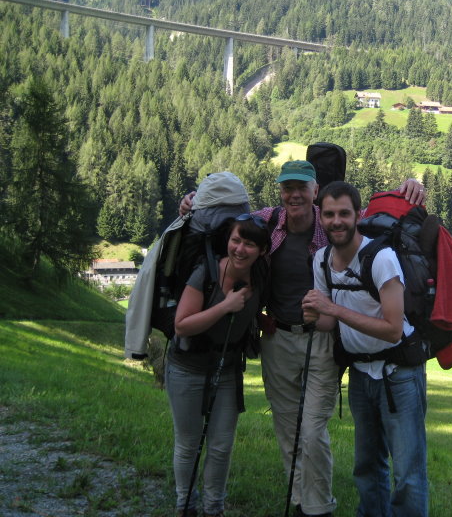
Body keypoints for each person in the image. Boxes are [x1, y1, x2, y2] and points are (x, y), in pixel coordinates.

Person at [179, 161, 424, 517]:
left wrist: (411, 186)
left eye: (301, 188)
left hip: (321, 341)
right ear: (280, 191)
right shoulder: (268, 220)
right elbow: (230, 223)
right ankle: (302, 504)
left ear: (314, 191)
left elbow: (366, 215)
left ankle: (319, 505)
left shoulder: (330, 224)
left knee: (310, 432)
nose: (293, 195)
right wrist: (193, 202)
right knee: (288, 432)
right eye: (287, 187)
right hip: (277, 339)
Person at [302, 181, 429, 517]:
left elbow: (391, 329)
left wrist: (334, 311)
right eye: (329, 214)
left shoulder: (382, 258)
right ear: (322, 218)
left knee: (408, 475)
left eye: (344, 213)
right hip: (360, 373)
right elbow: (329, 323)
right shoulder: (321, 260)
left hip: (400, 373)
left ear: (359, 215)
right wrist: (315, 316)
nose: (336, 221)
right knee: (367, 467)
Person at [165, 215, 270, 517]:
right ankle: (186, 506)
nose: (240, 249)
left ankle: (214, 509)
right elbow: (182, 325)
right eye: (236, 240)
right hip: (186, 367)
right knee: (188, 443)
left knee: (221, 446)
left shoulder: (260, 275)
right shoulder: (206, 272)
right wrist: (225, 305)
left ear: (262, 251)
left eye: (250, 244)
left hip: (227, 370)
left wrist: (260, 319)